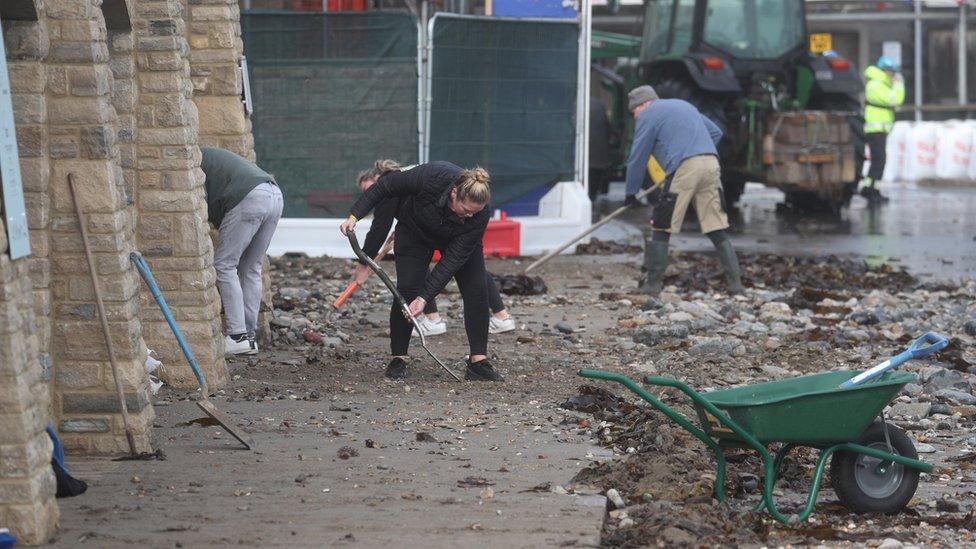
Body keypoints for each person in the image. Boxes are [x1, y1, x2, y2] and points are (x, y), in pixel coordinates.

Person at [340, 162, 504, 382]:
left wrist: (425, 298)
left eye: (475, 213)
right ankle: (399, 357)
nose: (470, 216)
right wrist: (354, 216)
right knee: (407, 289)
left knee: (476, 289)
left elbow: (452, 260)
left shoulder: (478, 214)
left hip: (457, 239)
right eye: (466, 210)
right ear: (454, 193)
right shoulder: (431, 176)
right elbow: (384, 187)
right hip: (414, 231)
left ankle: (478, 362)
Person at [349, 160, 517, 336]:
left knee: (464, 266)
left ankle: (435, 319)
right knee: (451, 267)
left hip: (433, 228)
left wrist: (364, 263)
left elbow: (379, 228)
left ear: (377, 179)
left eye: (369, 189)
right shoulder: (405, 176)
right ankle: (495, 315)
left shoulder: (388, 184)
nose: (369, 195)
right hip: (419, 225)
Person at [624, 85, 745, 296]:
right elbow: (716, 132)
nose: (634, 117)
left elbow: (638, 157)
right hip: (711, 164)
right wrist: (698, 150)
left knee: (662, 225)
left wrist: (630, 193)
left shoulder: (648, 116)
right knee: (716, 226)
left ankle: (652, 286)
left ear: (642, 104)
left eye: (633, 111)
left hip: (685, 168)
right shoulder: (683, 106)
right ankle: (736, 287)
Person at [202, 147, 283, 356]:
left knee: (224, 264)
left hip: (250, 196)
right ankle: (249, 337)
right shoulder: (212, 157)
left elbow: (201, 206)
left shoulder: (193, 161)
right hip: (274, 194)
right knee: (251, 267)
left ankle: (237, 336)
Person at [861, 55, 905, 204]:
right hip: (876, 128)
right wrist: (899, 85)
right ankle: (870, 189)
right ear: (884, 71)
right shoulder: (876, 85)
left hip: (879, 128)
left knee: (879, 160)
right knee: (879, 160)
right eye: (891, 71)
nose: (893, 75)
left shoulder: (880, 84)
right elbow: (895, 99)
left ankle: (872, 188)